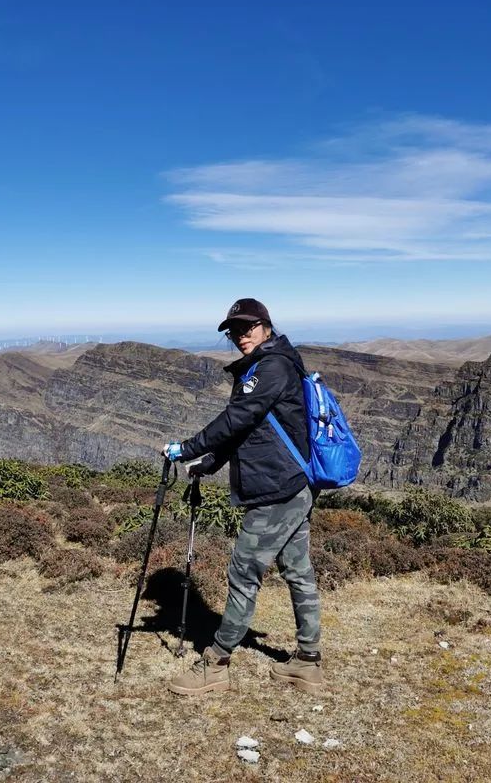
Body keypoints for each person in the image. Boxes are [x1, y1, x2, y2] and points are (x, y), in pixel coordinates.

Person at [162, 297, 322, 696]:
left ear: (266, 326)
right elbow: (251, 430)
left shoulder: (272, 366)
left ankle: (215, 665)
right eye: (234, 331)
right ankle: (307, 662)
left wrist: (188, 447)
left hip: (276, 492)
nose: (240, 336)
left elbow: (238, 418)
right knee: (297, 572)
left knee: (242, 573)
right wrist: (210, 463)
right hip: (293, 486)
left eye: (247, 327)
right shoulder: (272, 363)